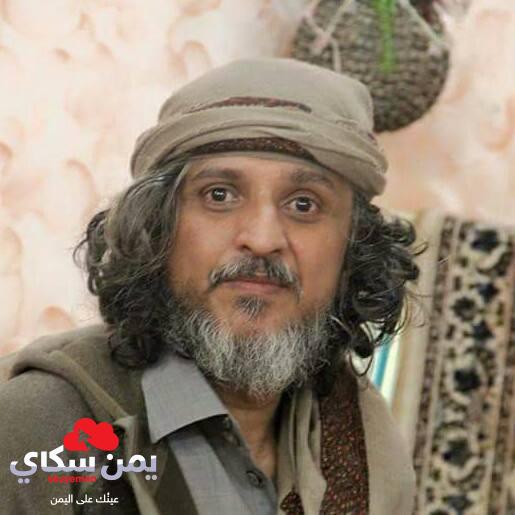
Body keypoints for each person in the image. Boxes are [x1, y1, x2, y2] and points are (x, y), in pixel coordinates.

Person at [0, 58, 421, 514]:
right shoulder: (39, 429)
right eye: (219, 195)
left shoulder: (370, 443)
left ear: (353, 249)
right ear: (158, 228)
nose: (262, 239)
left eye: (304, 204)